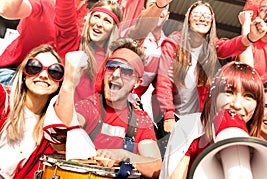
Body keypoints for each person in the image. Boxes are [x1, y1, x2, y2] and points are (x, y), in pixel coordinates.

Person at [154, 0, 266, 150]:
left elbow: (230, 47)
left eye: (207, 16)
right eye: (197, 14)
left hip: (197, 119)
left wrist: (250, 37)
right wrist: (168, 115)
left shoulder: (212, 47)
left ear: (212, 21)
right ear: (188, 18)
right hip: (172, 115)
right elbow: (164, 82)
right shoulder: (172, 45)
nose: (202, 18)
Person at [44, 38, 162, 178]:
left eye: (126, 70)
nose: (116, 74)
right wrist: (69, 83)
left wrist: (124, 155)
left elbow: (156, 167)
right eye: (111, 66)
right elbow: (61, 131)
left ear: (136, 83)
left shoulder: (140, 120)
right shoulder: (90, 106)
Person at [160, 61, 265, 178]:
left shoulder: (260, 146)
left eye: (248, 96)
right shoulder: (188, 128)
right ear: (214, 96)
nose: (237, 105)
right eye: (229, 92)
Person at [55, 0, 173, 103]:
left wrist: (159, 5)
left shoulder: (116, 55)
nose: (99, 24)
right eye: (96, 16)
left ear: (114, 29)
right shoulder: (72, 42)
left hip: (90, 123)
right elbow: (64, 13)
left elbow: (140, 29)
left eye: (107, 20)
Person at [0, 44, 65, 178]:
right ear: (24, 73)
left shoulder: (52, 131)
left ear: (59, 83)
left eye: (54, 71)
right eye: (35, 67)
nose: (43, 75)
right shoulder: (3, 99)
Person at [0, 0, 88, 85]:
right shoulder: (44, 3)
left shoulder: (89, 20)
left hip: (53, 80)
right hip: (17, 71)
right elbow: (6, 10)